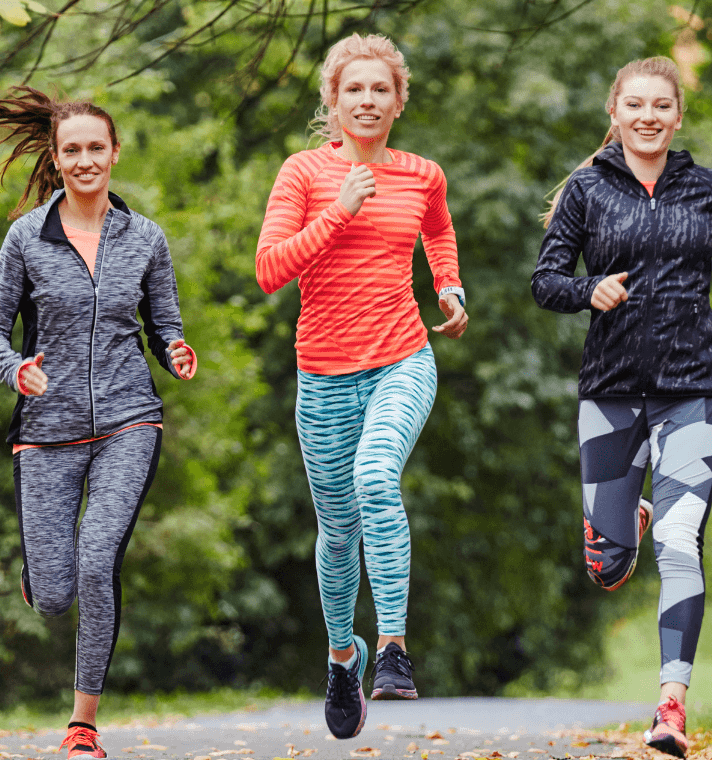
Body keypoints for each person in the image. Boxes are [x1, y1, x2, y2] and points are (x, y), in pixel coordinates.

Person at [530, 57, 712, 758]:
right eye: (634, 105)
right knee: (607, 567)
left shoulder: (708, 189)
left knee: (681, 540)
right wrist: (589, 290)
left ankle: (671, 705)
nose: (647, 117)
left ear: (678, 115)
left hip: (690, 388)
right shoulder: (586, 191)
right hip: (609, 391)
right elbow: (546, 280)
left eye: (661, 106)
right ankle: (626, 523)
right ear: (614, 111)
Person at [0, 86, 199, 760]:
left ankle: (82, 724)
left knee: (98, 561)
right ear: (56, 157)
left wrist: (176, 352)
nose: (85, 160)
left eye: (96, 147)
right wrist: (16, 369)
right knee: (53, 596)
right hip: (46, 430)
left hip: (130, 419)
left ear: (115, 152)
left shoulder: (146, 238)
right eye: (72, 150)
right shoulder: (26, 238)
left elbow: (165, 325)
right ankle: (40, 573)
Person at [255, 33, 468, 740]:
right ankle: (342, 656)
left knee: (377, 476)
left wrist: (449, 285)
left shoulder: (423, 175)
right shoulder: (303, 173)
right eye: (355, 89)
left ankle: (393, 649)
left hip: (402, 358)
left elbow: (438, 231)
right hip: (323, 375)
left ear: (398, 101)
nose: (368, 100)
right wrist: (337, 211)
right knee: (338, 532)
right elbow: (269, 270)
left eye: (381, 89)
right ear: (334, 99)